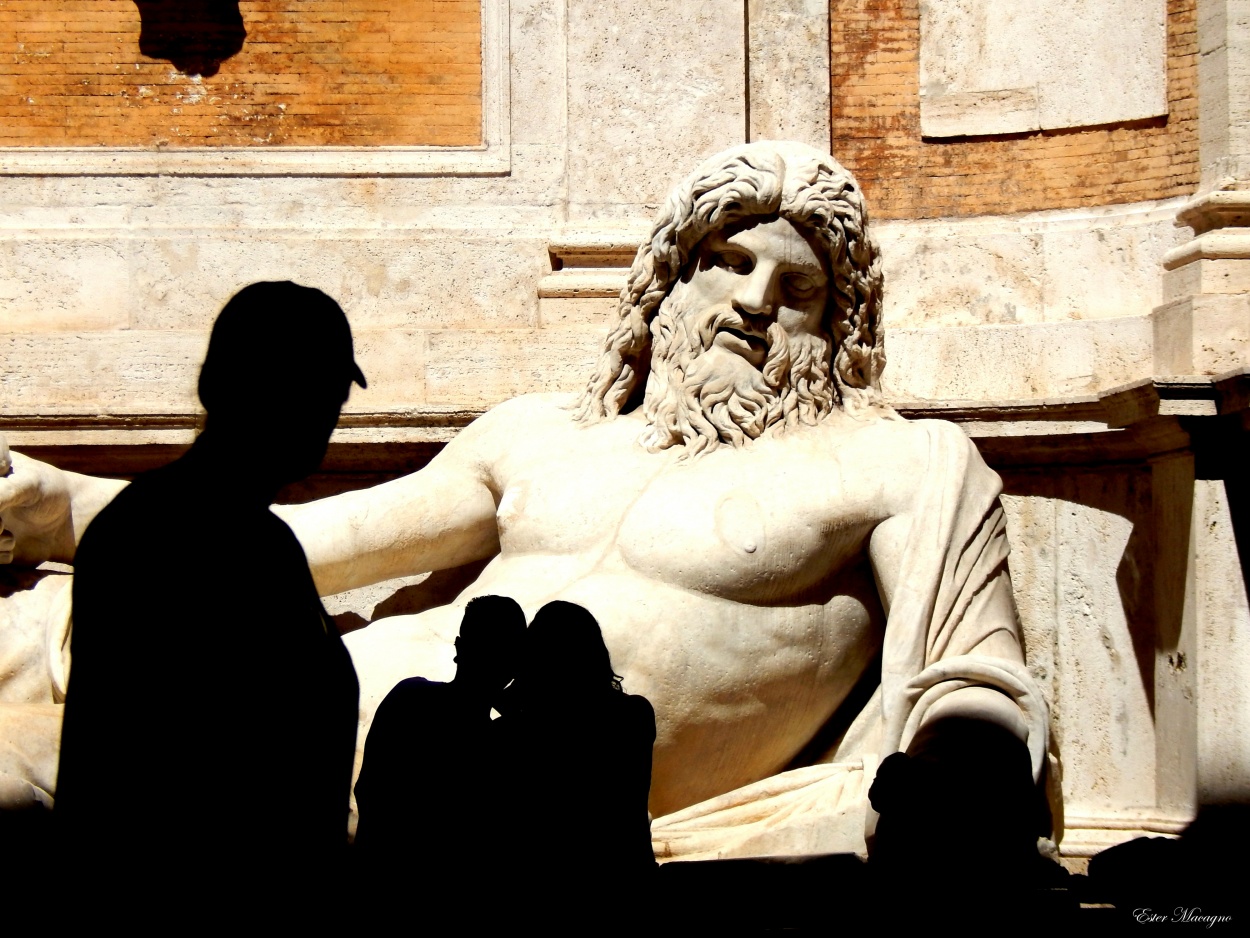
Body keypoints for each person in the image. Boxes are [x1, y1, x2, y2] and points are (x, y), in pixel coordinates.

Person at [0, 142, 1047, 862]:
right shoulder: (538, 430)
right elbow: (294, 540)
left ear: (839, 311)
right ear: (667, 275)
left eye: (797, 285)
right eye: (726, 261)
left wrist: (961, 775)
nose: (752, 304)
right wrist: (60, 509)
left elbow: (974, 675)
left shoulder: (895, 462)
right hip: (311, 719)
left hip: (476, 785)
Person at [54, 281, 365, 901]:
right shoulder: (195, 537)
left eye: (328, 391)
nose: (329, 410)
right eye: (310, 387)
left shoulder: (231, 534)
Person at [353, 594, 525, 883]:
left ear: (459, 648)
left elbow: (368, 791)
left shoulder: (407, 698)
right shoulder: (499, 746)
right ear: (516, 665)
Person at [498, 601, 655, 915]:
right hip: (626, 884)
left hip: (547, 892)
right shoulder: (634, 715)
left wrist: (515, 683)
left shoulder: (518, 733)